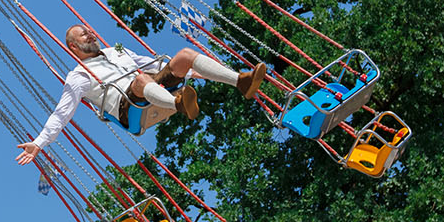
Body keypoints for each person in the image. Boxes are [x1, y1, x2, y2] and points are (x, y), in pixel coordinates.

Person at [14, 24, 268, 165]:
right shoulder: (79, 75)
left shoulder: (116, 52)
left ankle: (240, 82)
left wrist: (191, 73)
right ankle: (177, 103)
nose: (91, 33)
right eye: (84, 34)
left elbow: (152, 65)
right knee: (139, 80)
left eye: (90, 30)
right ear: (73, 46)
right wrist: (39, 143)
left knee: (183, 56)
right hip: (129, 111)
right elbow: (62, 112)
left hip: (148, 87)